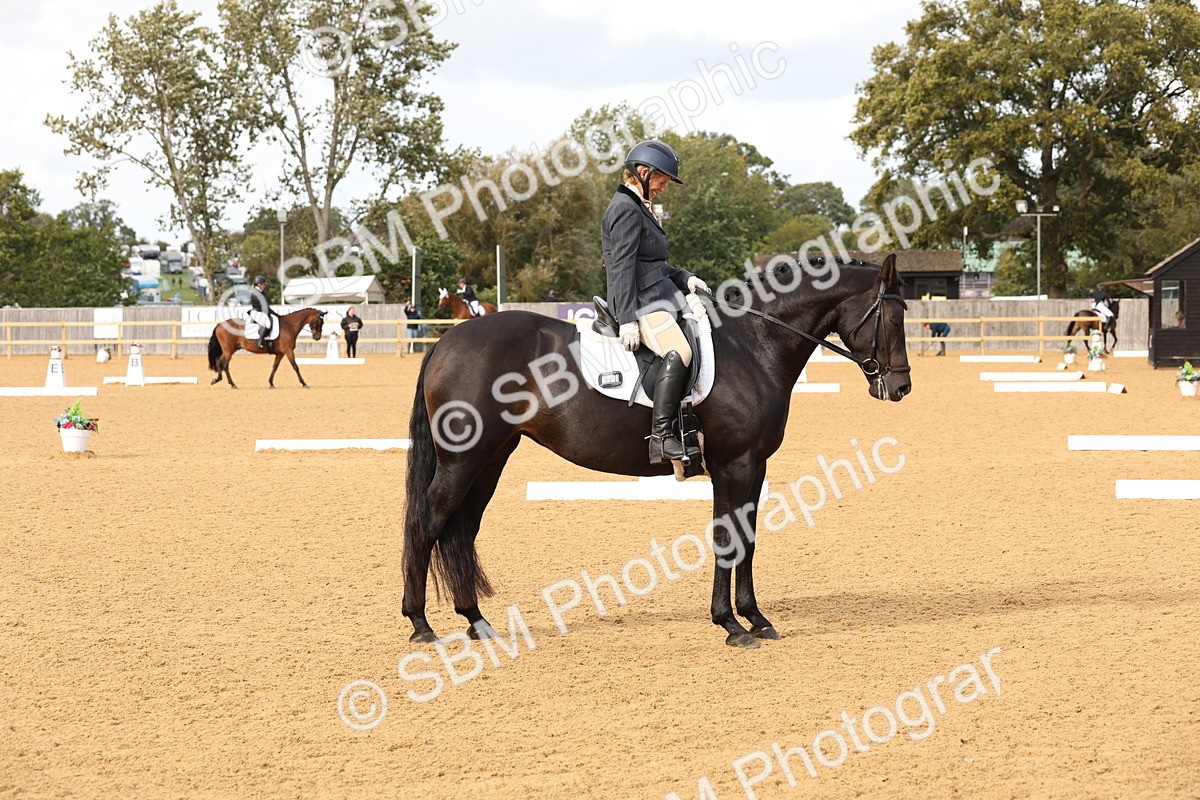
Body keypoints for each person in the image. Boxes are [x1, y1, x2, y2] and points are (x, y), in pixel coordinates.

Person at [602, 139, 709, 465]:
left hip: (660, 297)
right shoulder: (624, 209)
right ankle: (661, 438)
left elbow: (654, 265)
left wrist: (685, 278)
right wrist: (628, 318)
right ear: (644, 173)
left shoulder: (637, 208)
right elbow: (622, 266)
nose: (664, 187)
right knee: (681, 351)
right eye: (662, 180)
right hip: (643, 303)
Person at [247, 275, 275, 352]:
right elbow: (263, 307)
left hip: (261, 312)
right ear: (259, 284)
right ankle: (259, 341)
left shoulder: (261, 292)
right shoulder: (256, 293)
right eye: (263, 284)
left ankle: (268, 339)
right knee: (267, 323)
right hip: (257, 312)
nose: (264, 286)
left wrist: (274, 314)